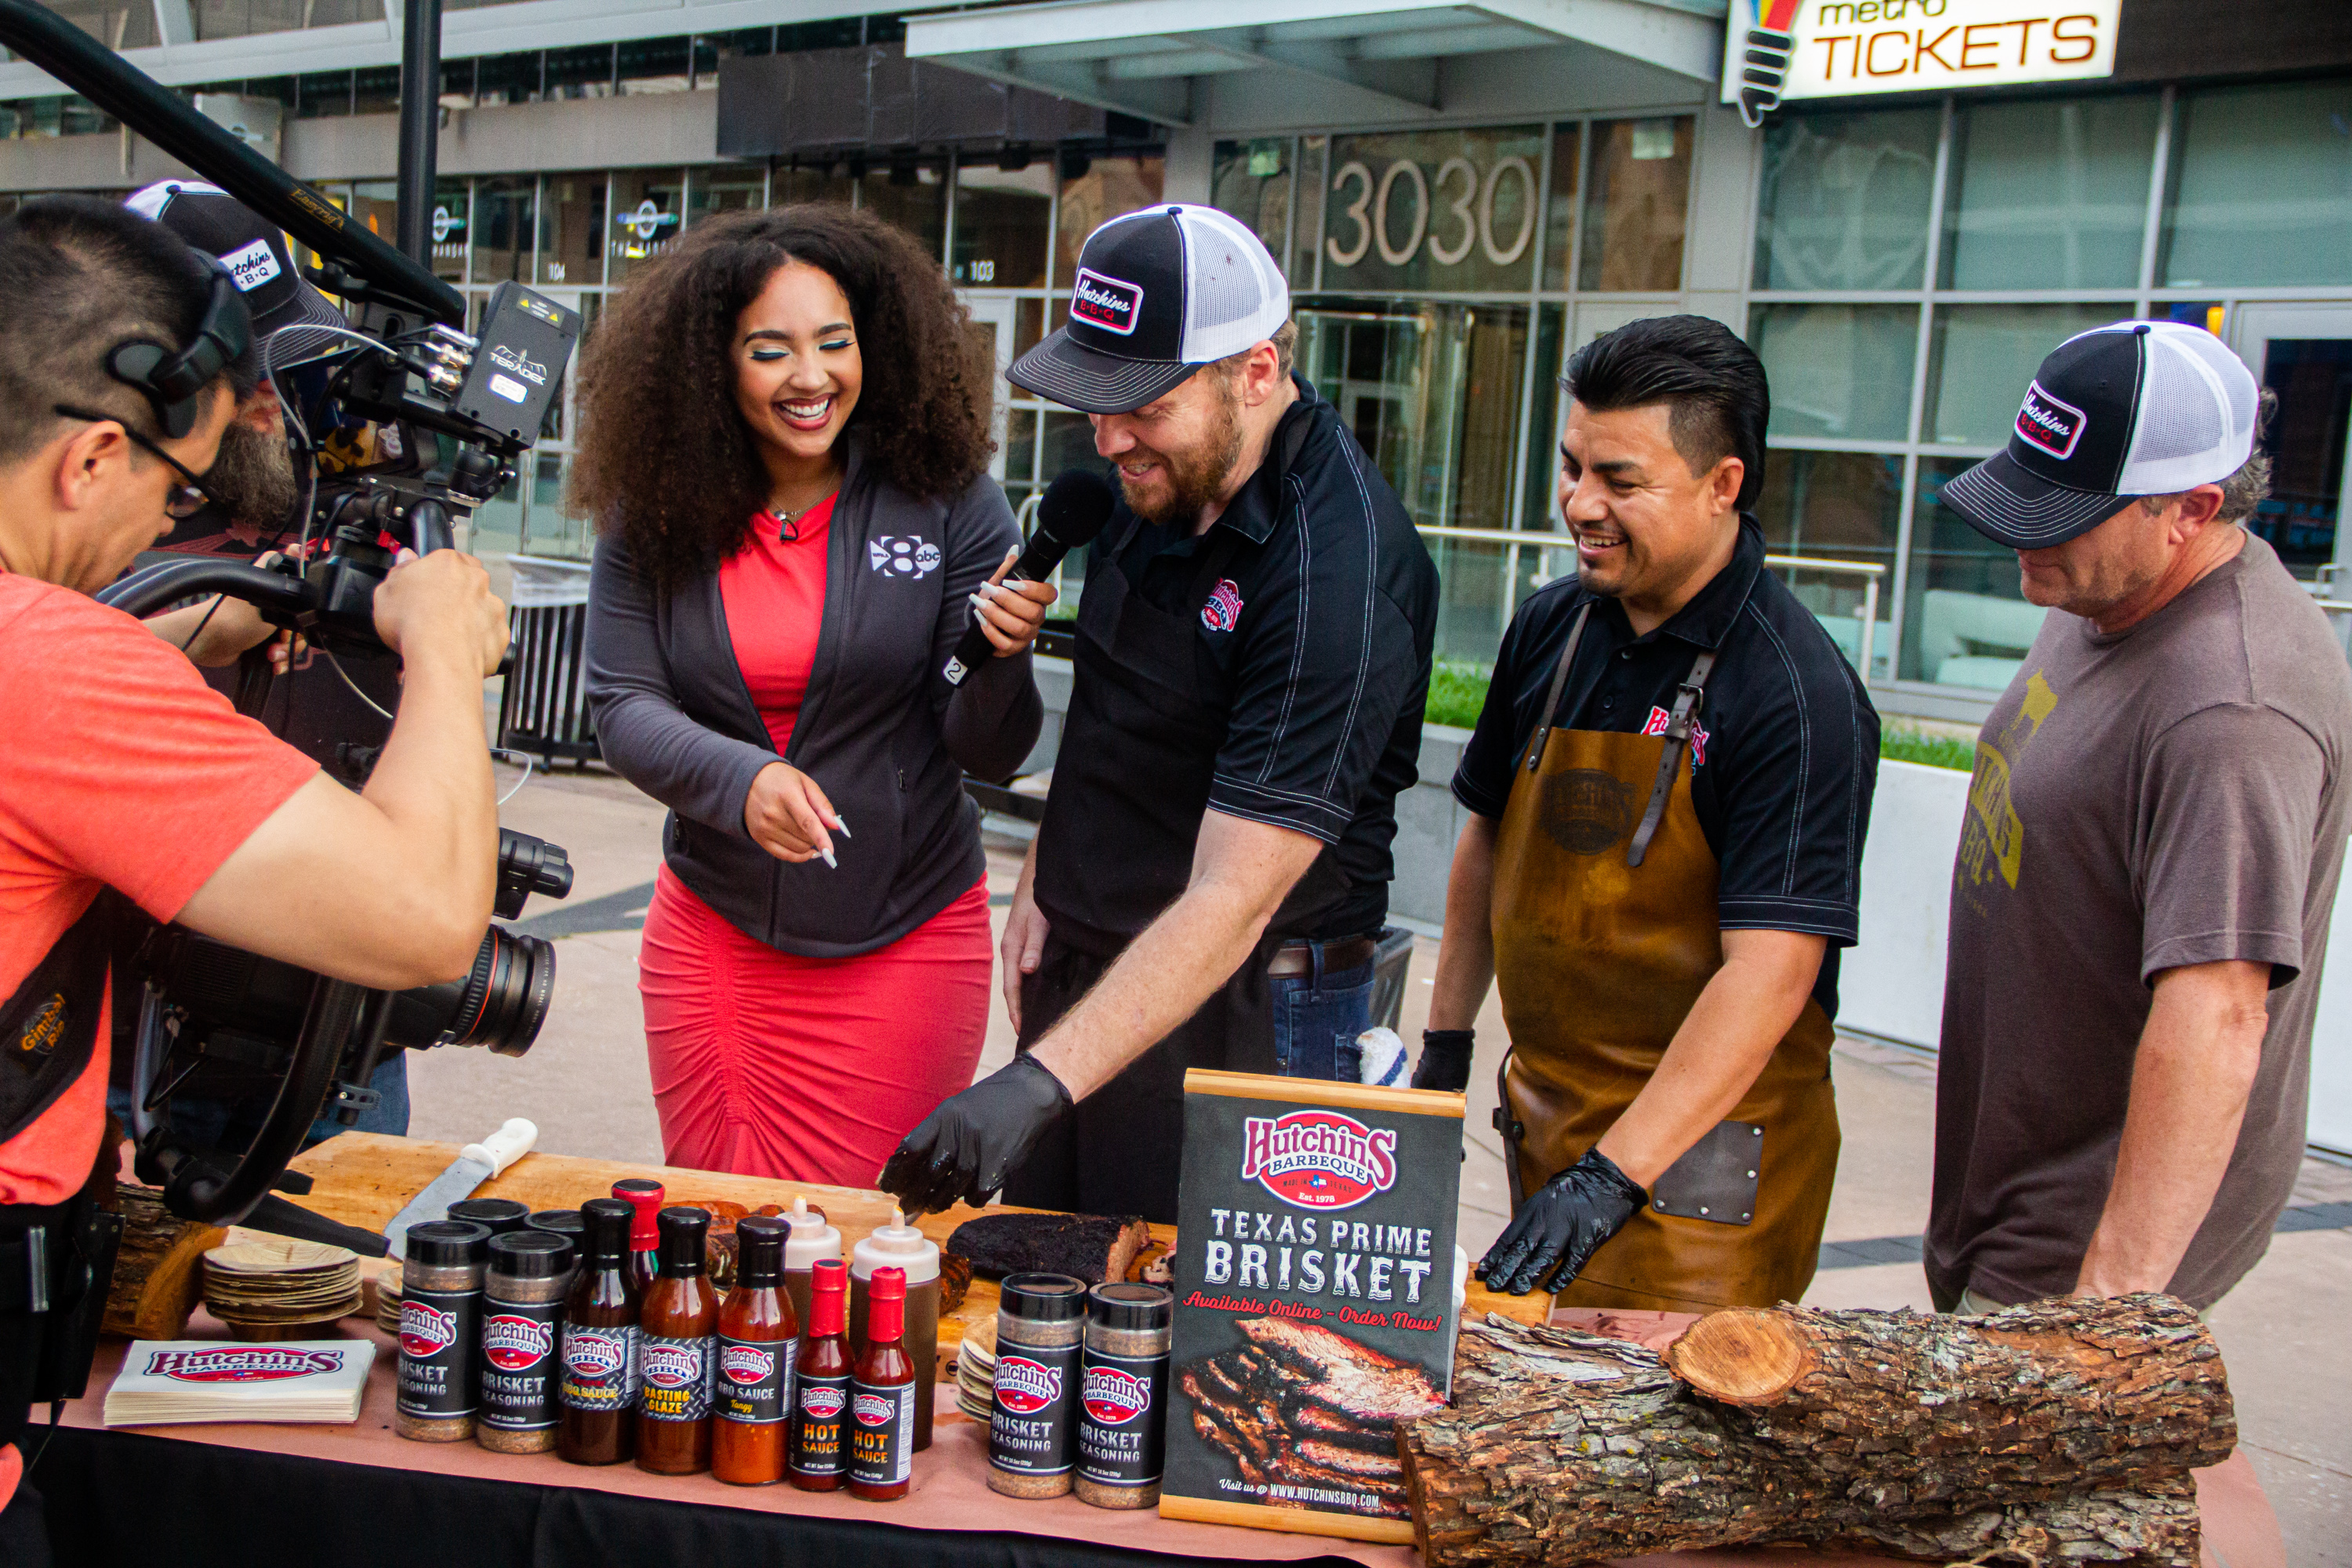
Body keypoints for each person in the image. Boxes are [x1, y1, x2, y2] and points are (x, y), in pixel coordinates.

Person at [0, 198, 509, 1561]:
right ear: (92, 454)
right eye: (177, 491)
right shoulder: (44, 658)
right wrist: (443, 648)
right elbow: (421, 916)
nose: (171, 524)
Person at [879, 205, 1439, 1225]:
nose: (1108, 438)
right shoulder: (1152, 486)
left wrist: (1036, 1084)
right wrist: (1050, 875)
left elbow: (1236, 897)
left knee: (1196, 1354)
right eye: (1094, 401)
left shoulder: (1334, 581)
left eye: (1141, 404)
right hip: (1096, 979)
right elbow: (1112, 713)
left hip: (1249, 1003)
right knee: (1047, 1308)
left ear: (1256, 373)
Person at [579, 206, 1051, 1189]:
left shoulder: (948, 494)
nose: (812, 377)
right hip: (715, 935)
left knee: (870, 1255)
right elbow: (622, 702)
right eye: (771, 350)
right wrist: (739, 778)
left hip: (908, 938)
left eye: (835, 343)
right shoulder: (654, 505)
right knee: (718, 1242)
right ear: (713, 365)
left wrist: (1000, 657)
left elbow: (990, 748)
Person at [1429, 316, 1879, 1310]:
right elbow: (1488, 837)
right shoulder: (1551, 624)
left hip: (1713, 1177)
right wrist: (1444, 1047)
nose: (1580, 504)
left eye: (1621, 481)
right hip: (1550, 1129)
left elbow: (1771, 974)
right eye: (1571, 466)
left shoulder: (1797, 694)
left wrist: (1613, 1174)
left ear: (1724, 483)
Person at [1925, 321, 2352, 1315]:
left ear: (2191, 510)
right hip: (2014, 1183)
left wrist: (2104, 1314)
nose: (2023, 536)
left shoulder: (2232, 710)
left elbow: (2222, 1014)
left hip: (2076, 1243)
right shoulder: (2101, 588)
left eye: (2062, 513)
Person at [112, 179, 416, 1145]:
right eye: (238, 370)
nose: (268, 398)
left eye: (285, 352)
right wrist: (207, 621)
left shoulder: (344, 472)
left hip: (343, 1029)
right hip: (140, 1041)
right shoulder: (80, 520)